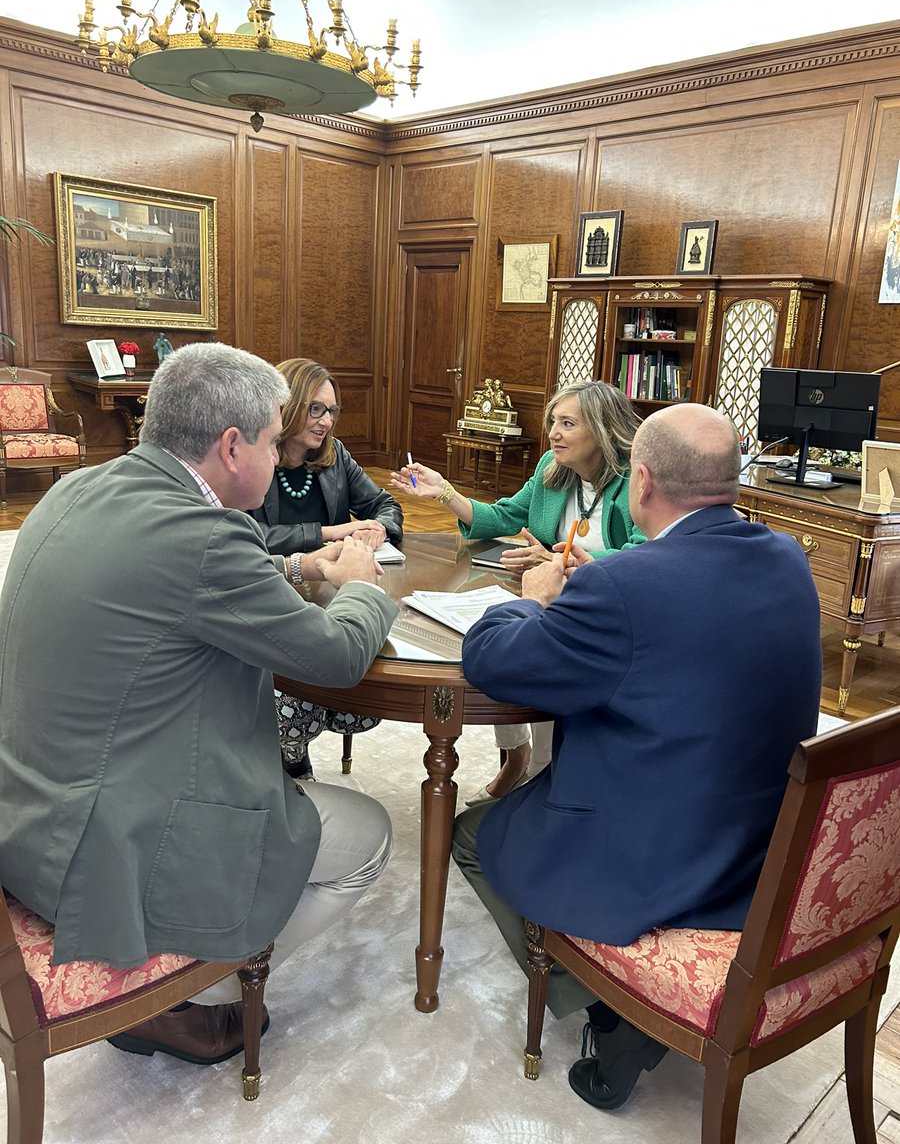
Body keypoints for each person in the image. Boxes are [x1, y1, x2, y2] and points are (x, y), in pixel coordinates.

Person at [0, 341, 398, 1065]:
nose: (281, 460)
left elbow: (176, 573)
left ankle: (178, 982)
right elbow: (336, 657)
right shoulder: (202, 537)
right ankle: (182, 988)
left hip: (25, 821)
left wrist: (298, 563)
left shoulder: (76, 488)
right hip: (106, 857)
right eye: (276, 442)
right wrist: (368, 586)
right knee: (366, 840)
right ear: (231, 444)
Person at [451, 403, 822, 1113]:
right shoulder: (786, 557)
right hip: (762, 846)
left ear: (641, 483)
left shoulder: (622, 588)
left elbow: (493, 659)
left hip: (657, 856)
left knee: (477, 834)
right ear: (731, 484)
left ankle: (610, 1008)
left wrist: (534, 600)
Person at [391, 380, 644, 803]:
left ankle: (543, 773)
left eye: (567, 423)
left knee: (534, 656)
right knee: (491, 642)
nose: (554, 433)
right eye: (553, 422)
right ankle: (515, 753)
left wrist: (558, 564)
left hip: (607, 609)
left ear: (602, 430)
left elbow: (644, 553)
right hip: (548, 600)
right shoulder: (551, 468)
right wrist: (444, 493)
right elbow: (503, 515)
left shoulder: (634, 480)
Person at [250, 357, 403, 780]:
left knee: (359, 666)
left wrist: (375, 530)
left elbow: (387, 506)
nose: (326, 422)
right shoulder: (255, 459)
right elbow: (250, 536)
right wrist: (327, 532)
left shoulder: (336, 459)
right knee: (291, 681)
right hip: (275, 595)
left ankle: (294, 746)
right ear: (290, 405)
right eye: (316, 408)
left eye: (332, 411)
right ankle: (291, 757)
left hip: (332, 598)